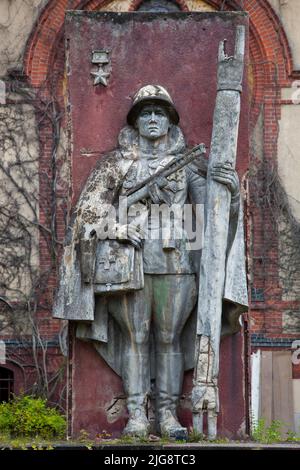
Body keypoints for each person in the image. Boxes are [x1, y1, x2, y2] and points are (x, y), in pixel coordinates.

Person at [53, 84, 248, 438]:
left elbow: (209, 215)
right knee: (135, 338)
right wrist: (117, 226)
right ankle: (137, 416)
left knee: (170, 339)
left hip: (177, 260)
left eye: (160, 113)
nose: (153, 118)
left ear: (171, 121)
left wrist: (230, 194)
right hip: (129, 262)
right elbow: (88, 210)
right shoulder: (116, 163)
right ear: (136, 121)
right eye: (146, 112)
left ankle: (168, 415)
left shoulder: (187, 164)